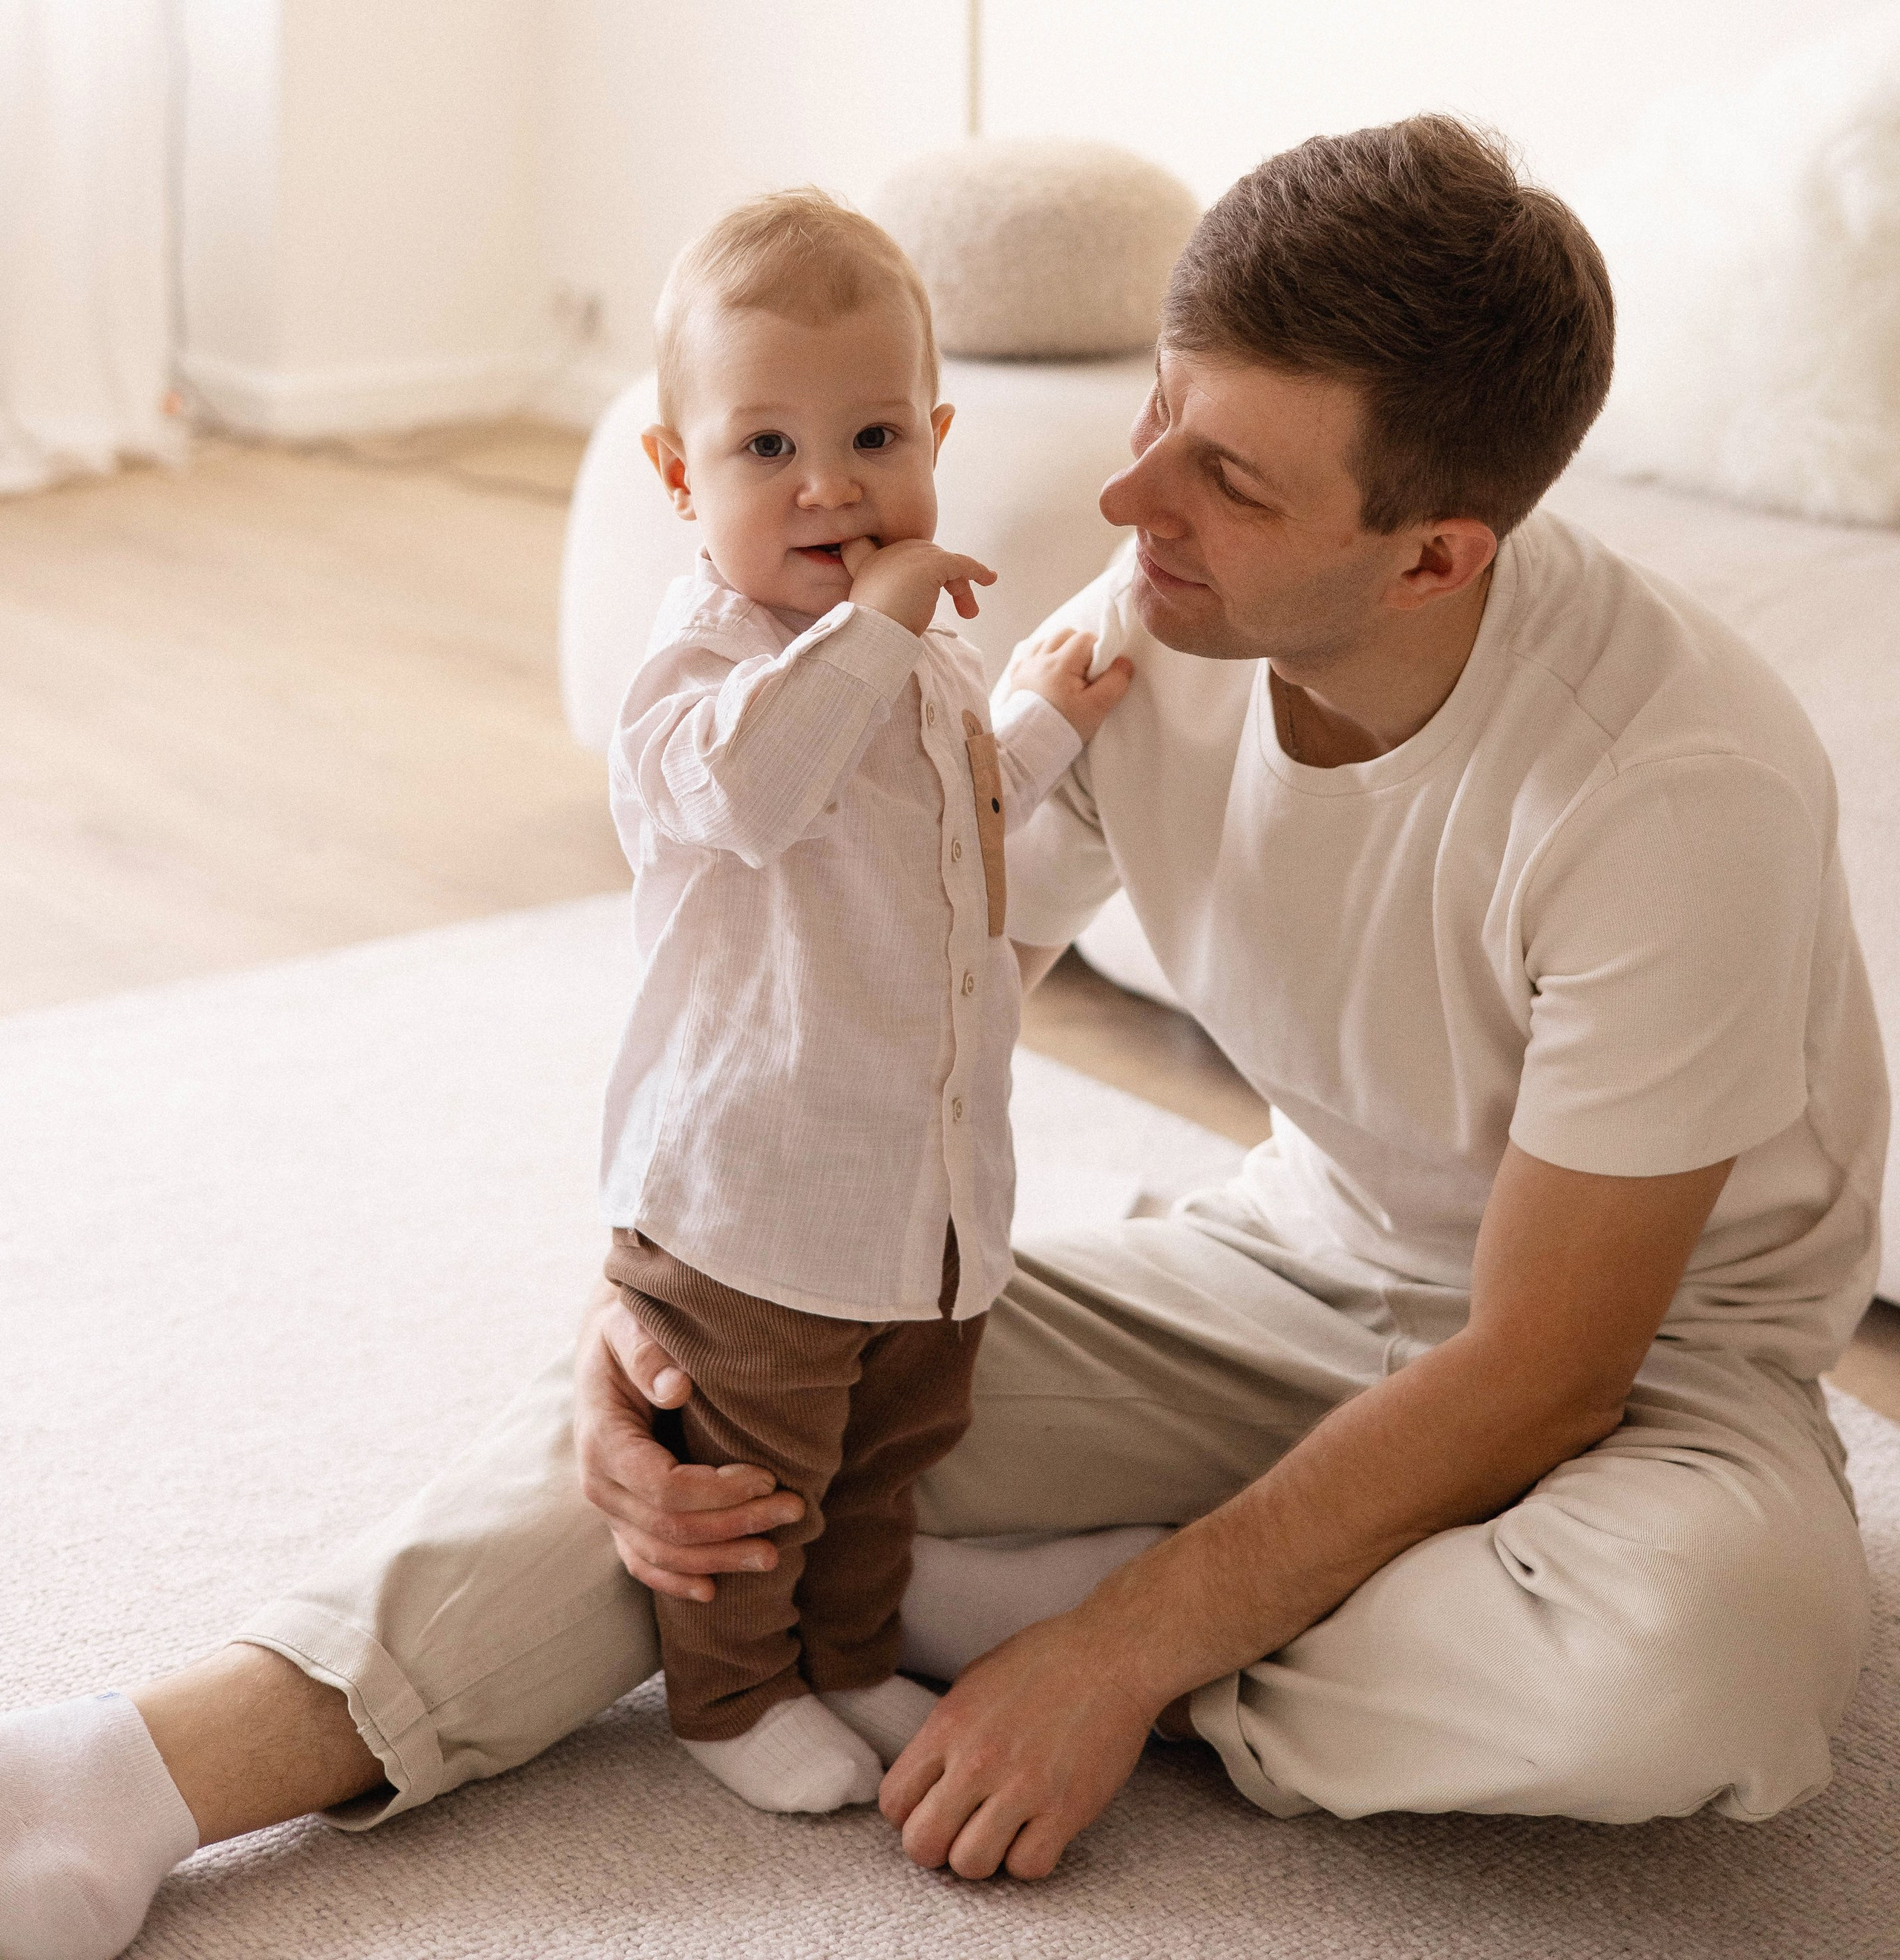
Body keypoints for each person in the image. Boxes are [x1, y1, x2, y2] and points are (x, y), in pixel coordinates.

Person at [0, 119, 1884, 1959]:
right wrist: (642, 1298)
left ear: (1428, 557)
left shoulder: (1668, 787)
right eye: (1155, 409)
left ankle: (1011, 1613)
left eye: (1225, 474)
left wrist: (1118, 1648)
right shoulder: (1147, 622)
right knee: (718, 1417)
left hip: (1647, 1365)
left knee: (1696, 1672)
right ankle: (126, 1777)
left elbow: (1541, 1368)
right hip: (1285, 1268)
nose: (1130, 501)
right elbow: (847, 1000)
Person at [595, 190, 1127, 1812]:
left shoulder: (919, 663)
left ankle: (840, 1657)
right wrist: (883, 620)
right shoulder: (698, 682)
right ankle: (733, 1695)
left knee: (886, 1455)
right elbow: (763, 793)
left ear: (936, 437)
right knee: (755, 1478)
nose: (830, 484)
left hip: (916, 1193)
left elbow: (953, 837)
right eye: (765, 449)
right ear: (681, 478)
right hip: (754, 1196)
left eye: (875, 433)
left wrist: (1034, 720)